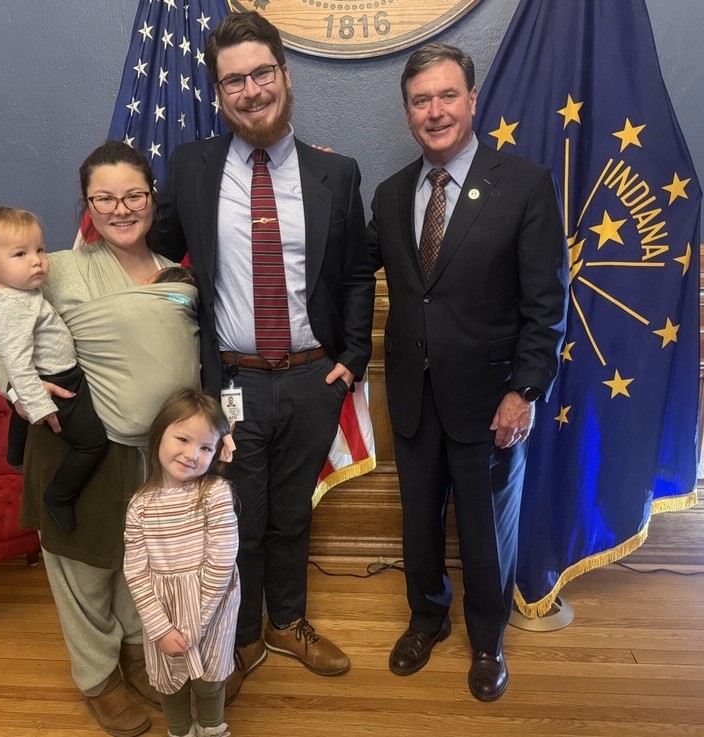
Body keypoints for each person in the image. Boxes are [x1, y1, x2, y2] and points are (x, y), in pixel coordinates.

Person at [155, 11, 376, 703]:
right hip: (230, 382)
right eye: (233, 82)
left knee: (292, 511)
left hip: (314, 376)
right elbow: (150, 246)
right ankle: (243, 630)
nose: (249, 91)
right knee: (239, 515)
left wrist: (354, 357)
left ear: (284, 75)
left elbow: (355, 275)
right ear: (217, 94)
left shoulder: (336, 172)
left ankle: (288, 620)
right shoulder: (190, 167)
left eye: (261, 74)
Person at [0, 140, 207, 737]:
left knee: (136, 566)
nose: (120, 208)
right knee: (81, 571)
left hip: (155, 458)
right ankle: (97, 679)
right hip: (80, 444)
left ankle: (135, 655)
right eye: (104, 197)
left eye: (133, 194)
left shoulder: (178, 274)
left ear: (153, 198)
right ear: (87, 205)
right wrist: (18, 391)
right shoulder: (57, 267)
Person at [368, 43, 569, 701]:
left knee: (486, 533)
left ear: (473, 100)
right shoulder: (393, 193)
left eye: (447, 95)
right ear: (407, 112)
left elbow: (547, 305)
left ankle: (487, 640)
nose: (435, 111)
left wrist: (526, 391)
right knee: (419, 524)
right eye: (421, 100)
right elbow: (354, 267)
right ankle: (427, 617)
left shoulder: (526, 185)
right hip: (413, 397)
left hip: (492, 403)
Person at [0, 206, 107, 532]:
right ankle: (59, 496)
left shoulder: (9, 290)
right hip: (56, 381)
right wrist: (37, 404)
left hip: (51, 373)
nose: (38, 260)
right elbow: (17, 363)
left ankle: (15, 451)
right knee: (92, 443)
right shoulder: (13, 304)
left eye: (39, 249)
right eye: (20, 254)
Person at [124, 388, 239, 737]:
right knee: (169, 682)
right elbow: (136, 572)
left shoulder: (216, 493)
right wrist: (160, 627)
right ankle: (179, 731)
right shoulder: (139, 505)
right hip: (164, 607)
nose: (192, 454)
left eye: (205, 448)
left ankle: (211, 728)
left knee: (209, 679)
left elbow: (221, 563)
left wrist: (196, 623)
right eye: (183, 439)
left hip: (212, 605)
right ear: (159, 434)